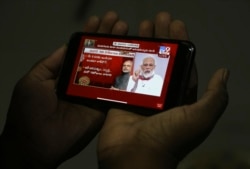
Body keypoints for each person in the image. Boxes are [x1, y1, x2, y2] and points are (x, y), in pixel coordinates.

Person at [0, 11, 229, 169]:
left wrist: (137, 158)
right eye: (143, 64)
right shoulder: (123, 80)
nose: (147, 67)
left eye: (150, 64)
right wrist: (23, 152)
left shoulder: (157, 80)